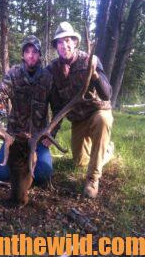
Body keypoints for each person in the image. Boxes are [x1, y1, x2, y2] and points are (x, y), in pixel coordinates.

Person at [0, 35, 53, 184]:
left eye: (35, 52)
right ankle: (24, 169)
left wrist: (51, 133)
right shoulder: (13, 75)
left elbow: (58, 108)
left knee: (44, 174)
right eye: (27, 52)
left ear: (39, 55)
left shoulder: (47, 78)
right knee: (0, 174)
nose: (31, 55)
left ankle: (27, 168)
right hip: (14, 138)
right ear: (23, 55)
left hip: (37, 138)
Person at [48, 22, 113, 198]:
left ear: (75, 42)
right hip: (78, 120)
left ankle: (93, 179)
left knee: (103, 120)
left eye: (68, 40)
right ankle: (106, 151)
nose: (64, 45)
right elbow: (57, 106)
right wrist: (51, 134)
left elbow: (107, 94)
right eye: (60, 42)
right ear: (56, 46)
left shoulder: (90, 59)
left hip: (97, 111)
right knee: (79, 162)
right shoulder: (53, 69)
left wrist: (95, 74)